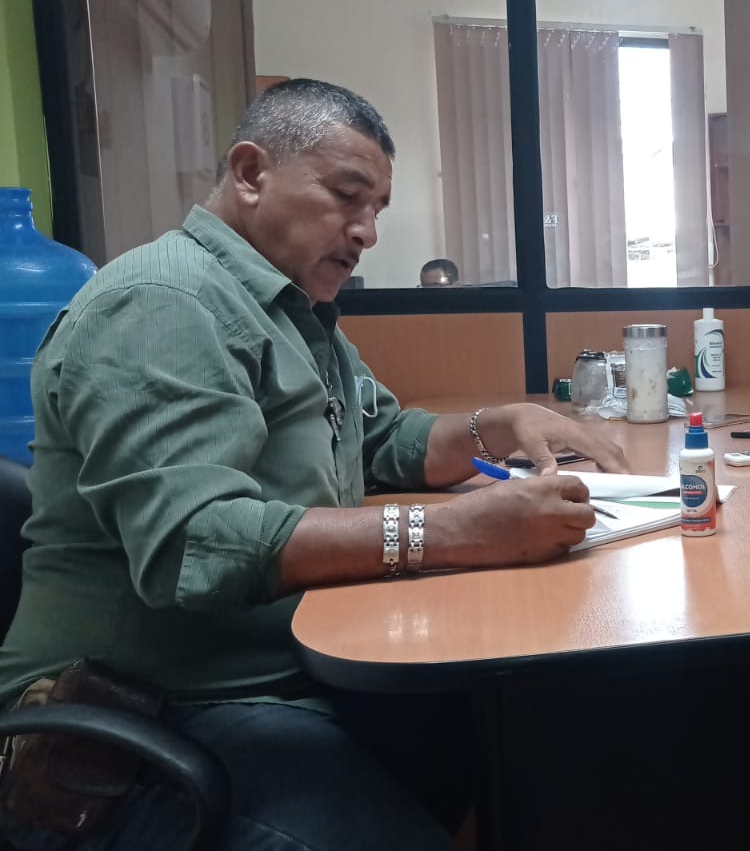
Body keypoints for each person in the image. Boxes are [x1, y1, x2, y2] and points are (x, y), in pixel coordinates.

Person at [0, 79, 630, 851]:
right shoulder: (162, 304)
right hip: (138, 722)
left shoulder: (290, 309)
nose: (366, 232)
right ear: (250, 172)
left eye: (377, 210)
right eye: (346, 196)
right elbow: (194, 545)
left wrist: (497, 426)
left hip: (288, 668)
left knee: (528, 722)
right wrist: (455, 533)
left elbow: (381, 438)